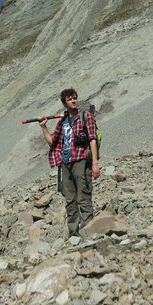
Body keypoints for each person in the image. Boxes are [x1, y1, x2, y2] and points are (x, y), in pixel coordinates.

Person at [38, 88, 100, 237]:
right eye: (70, 99)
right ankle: (73, 232)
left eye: (74, 98)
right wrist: (44, 127)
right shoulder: (62, 122)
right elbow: (53, 142)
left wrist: (95, 163)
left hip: (80, 159)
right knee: (70, 199)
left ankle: (89, 229)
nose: (73, 101)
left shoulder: (86, 116)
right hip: (65, 163)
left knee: (83, 195)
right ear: (64, 103)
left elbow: (92, 139)